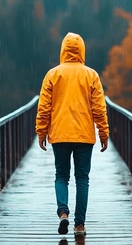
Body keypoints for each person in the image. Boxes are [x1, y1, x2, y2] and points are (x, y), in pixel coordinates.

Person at [35, 32, 109, 236]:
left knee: (61, 176)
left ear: (63, 50)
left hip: (59, 134)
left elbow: (43, 107)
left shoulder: (53, 74)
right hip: (84, 136)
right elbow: (99, 108)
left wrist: (41, 132)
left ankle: (63, 213)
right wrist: (103, 133)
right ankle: (79, 225)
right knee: (82, 179)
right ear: (82, 51)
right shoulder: (91, 75)